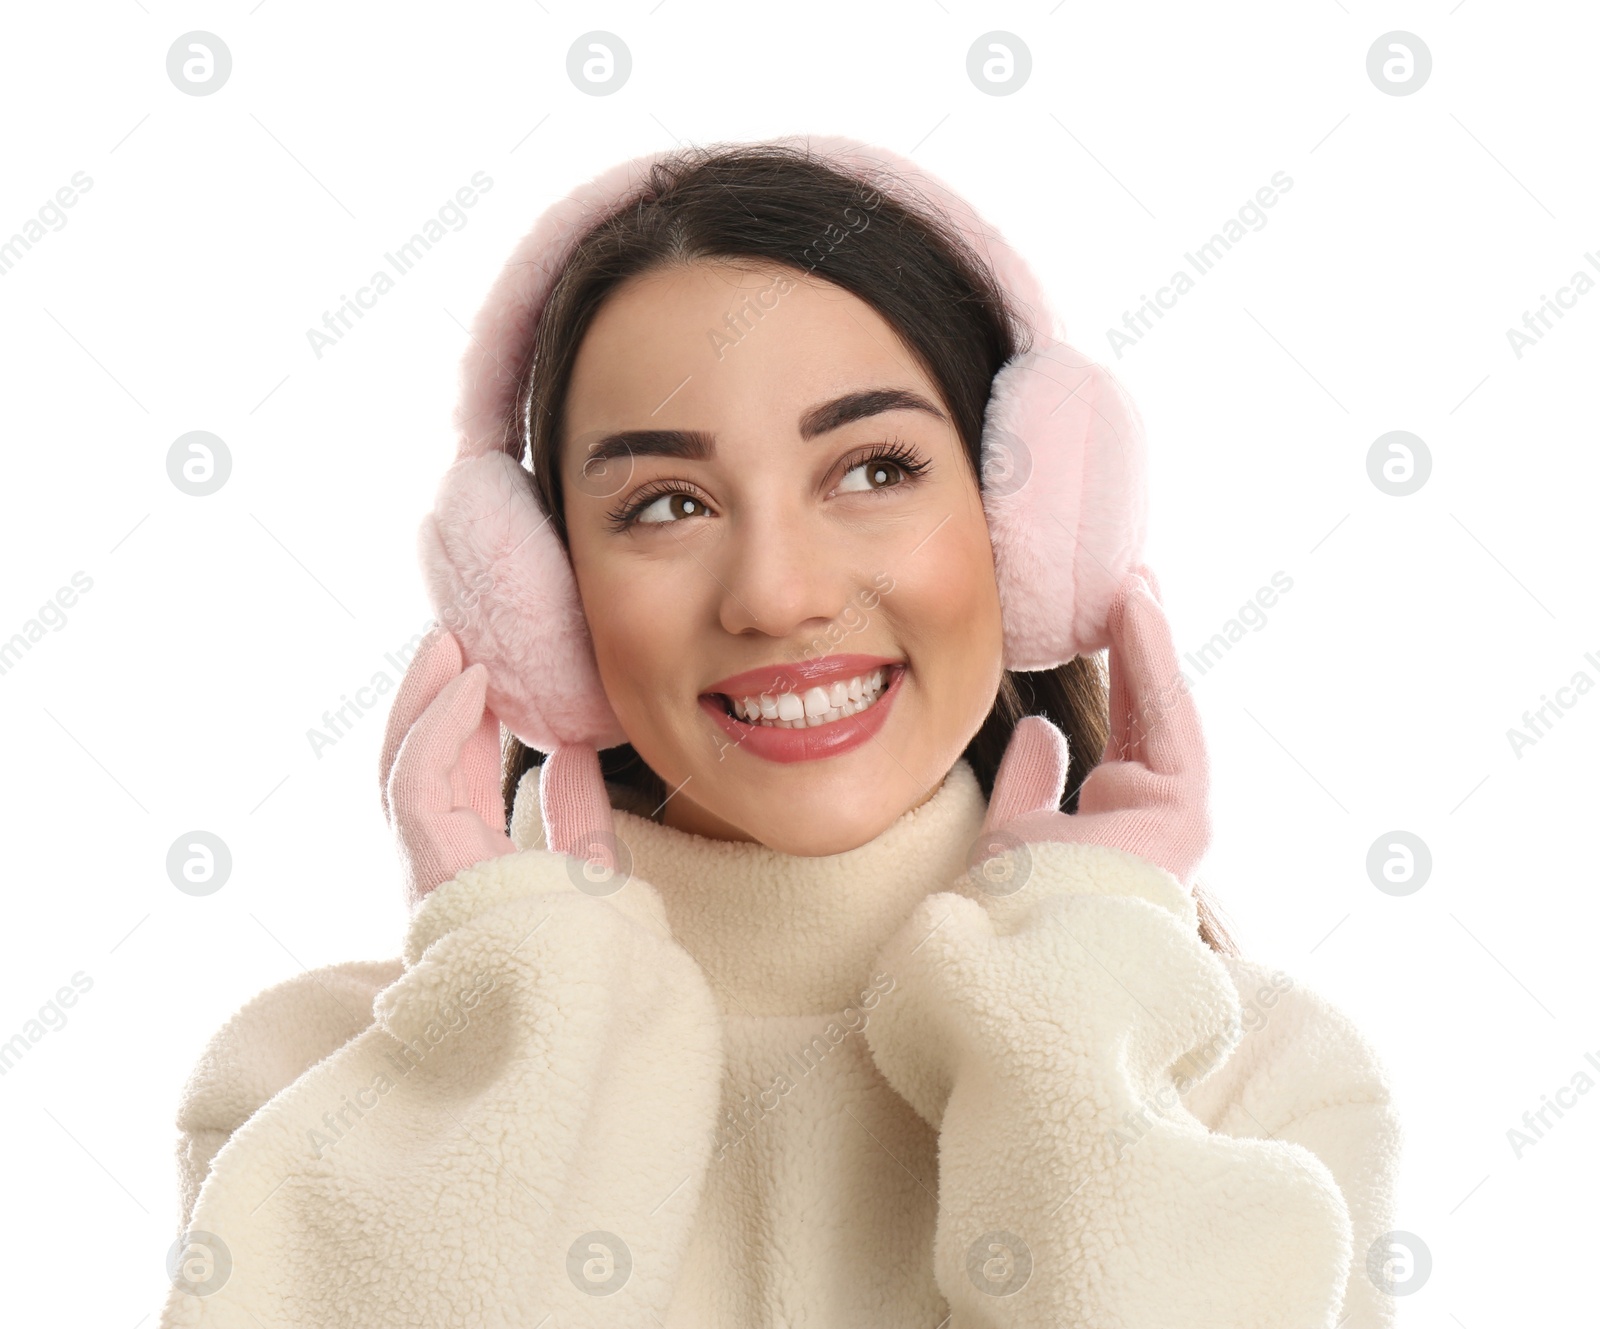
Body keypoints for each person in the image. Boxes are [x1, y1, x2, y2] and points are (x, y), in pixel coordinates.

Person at [158, 136, 1402, 1328]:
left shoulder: (1257, 1091)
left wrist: (1068, 1004)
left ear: (1028, 532)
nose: (777, 593)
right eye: (666, 502)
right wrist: (520, 1016)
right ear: (541, 594)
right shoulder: (314, 1098)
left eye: (873, 471)